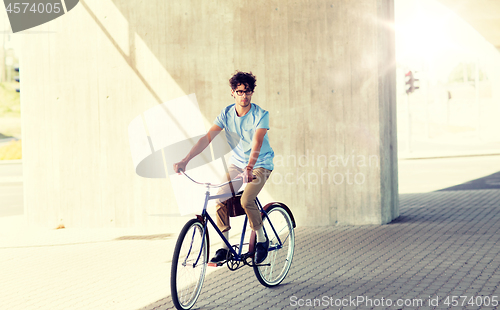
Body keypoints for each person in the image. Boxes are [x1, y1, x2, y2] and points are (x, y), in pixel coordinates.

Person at [173, 71, 274, 264]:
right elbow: (206, 139)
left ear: (252, 93)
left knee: (246, 200)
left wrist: (249, 167)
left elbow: (257, 142)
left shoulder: (260, 115)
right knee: (220, 197)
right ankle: (225, 248)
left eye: (248, 92)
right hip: (237, 164)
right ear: (232, 92)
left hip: (260, 164)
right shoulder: (226, 114)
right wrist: (186, 160)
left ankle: (262, 240)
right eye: (240, 91)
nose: (244, 96)